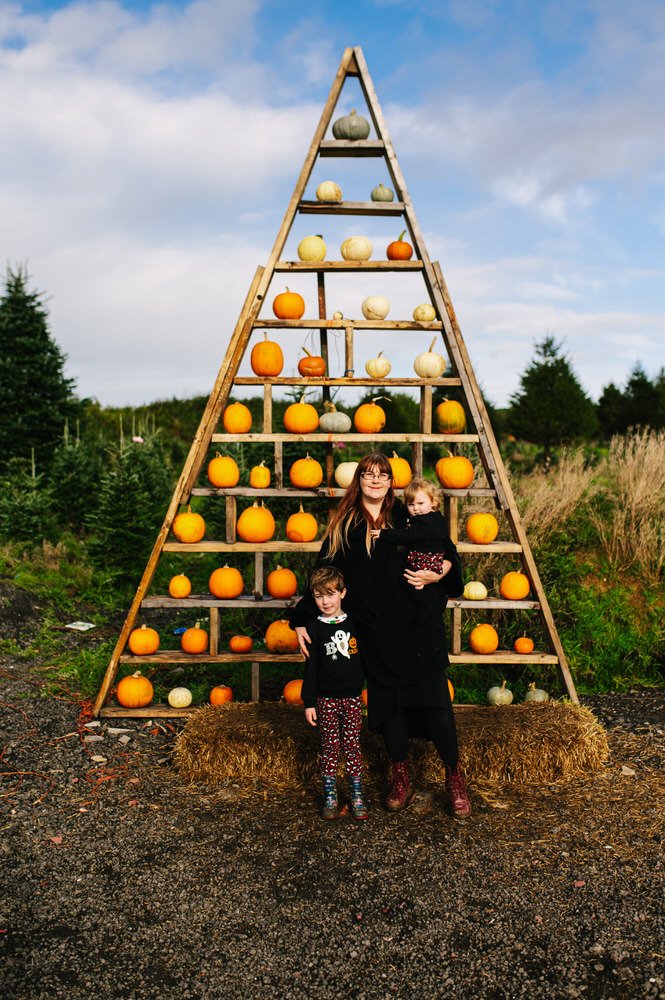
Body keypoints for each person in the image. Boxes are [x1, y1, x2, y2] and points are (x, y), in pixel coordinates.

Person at [290, 453, 471, 819]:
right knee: (391, 709)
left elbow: (446, 549)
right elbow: (323, 573)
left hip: (417, 628)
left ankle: (454, 776)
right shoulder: (344, 524)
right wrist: (300, 619)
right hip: (375, 631)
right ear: (358, 480)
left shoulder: (406, 514)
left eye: (383, 475)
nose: (376, 480)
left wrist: (439, 574)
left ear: (391, 481)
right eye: (368, 475)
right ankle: (400, 774)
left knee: (436, 703)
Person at [301, 566, 367, 821]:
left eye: (330, 594)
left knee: (351, 746)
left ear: (342, 593)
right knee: (329, 747)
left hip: (351, 699)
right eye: (319, 596)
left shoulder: (355, 624)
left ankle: (357, 794)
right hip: (325, 700)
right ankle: (330, 795)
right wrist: (309, 702)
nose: (325, 601)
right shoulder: (313, 630)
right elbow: (311, 669)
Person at [371, 477, 455, 622]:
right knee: (417, 583)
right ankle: (428, 602)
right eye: (411, 504)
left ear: (433, 502)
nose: (416, 508)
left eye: (421, 503)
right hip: (432, 558)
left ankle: (424, 605)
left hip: (426, 559)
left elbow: (407, 535)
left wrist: (384, 534)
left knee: (405, 578)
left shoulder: (426, 521)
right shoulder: (436, 518)